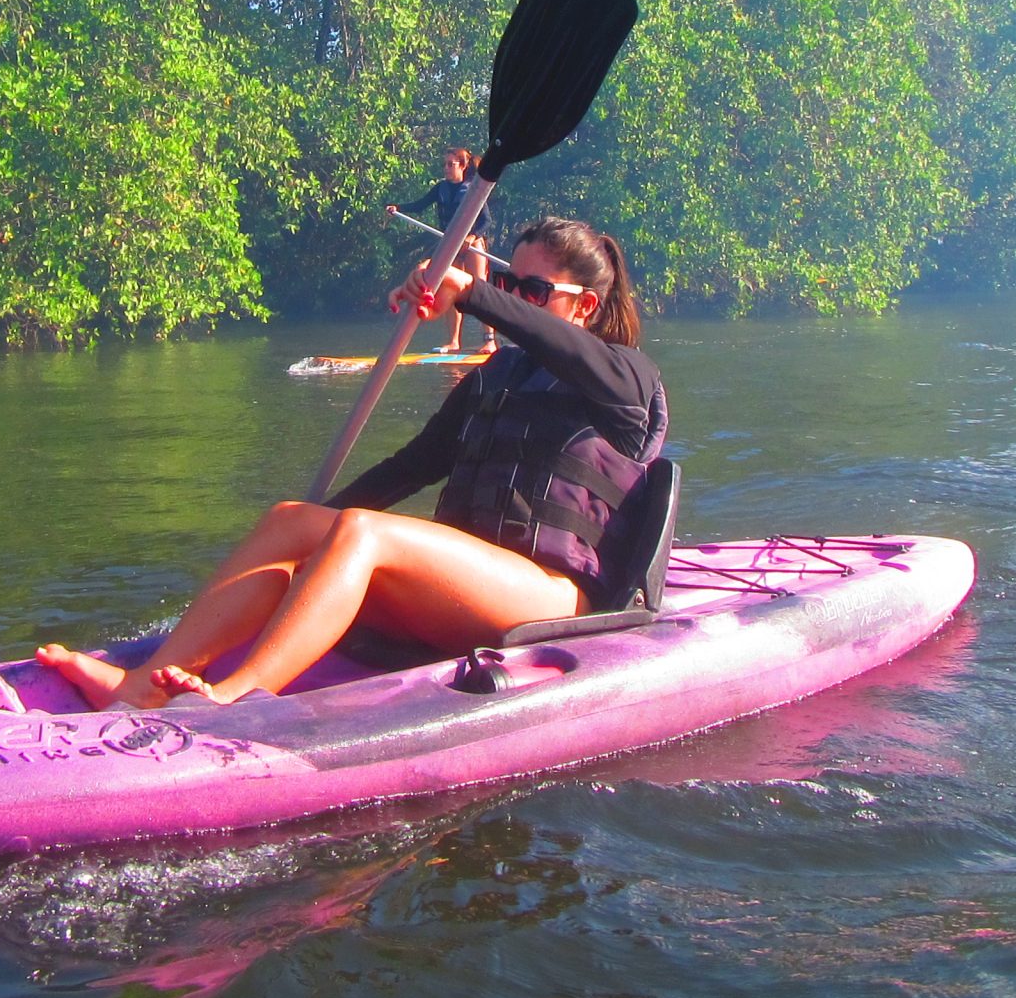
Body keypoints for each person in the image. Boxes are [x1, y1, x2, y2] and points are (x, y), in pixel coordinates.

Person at [37, 217, 666, 710]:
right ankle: (145, 683)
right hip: (461, 592)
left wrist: (471, 293)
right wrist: (312, 534)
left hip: (551, 601)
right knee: (297, 519)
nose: (515, 299)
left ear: (583, 307)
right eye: (508, 283)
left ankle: (237, 697)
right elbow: (411, 467)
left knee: (364, 533)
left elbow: (560, 347)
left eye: (532, 292)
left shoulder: (625, 380)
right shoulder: (494, 380)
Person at [388, 147, 493, 352]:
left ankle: (490, 341)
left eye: (450, 164)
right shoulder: (440, 188)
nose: (445, 168)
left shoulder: (473, 189)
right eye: (444, 164)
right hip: (450, 244)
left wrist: (472, 237)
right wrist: (398, 208)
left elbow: (486, 221)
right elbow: (419, 206)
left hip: (472, 245)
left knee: (480, 290)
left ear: (462, 166)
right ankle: (454, 342)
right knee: (450, 290)